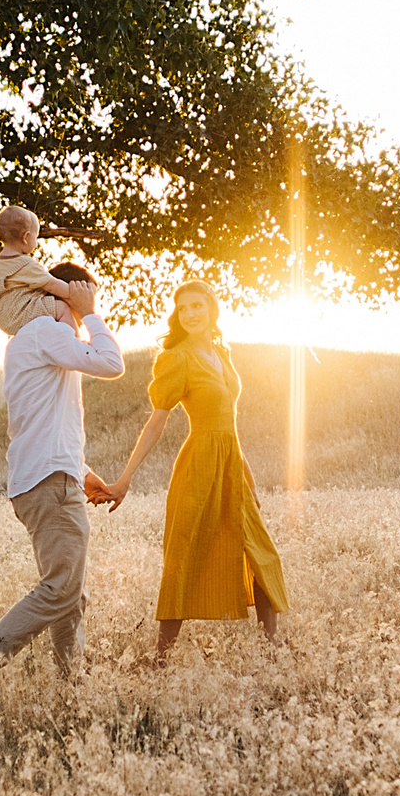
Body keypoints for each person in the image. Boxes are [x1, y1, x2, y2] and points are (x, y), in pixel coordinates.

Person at [0, 261, 123, 699]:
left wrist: (82, 472)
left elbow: (44, 418)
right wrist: (91, 312)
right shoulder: (48, 331)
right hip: (49, 481)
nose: (80, 318)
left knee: (68, 590)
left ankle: (72, 684)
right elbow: (111, 362)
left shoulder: (28, 340)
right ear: (63, 295)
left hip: (45, 476)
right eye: (77, 304)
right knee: (62, 587)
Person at [93, 279, 288, 659]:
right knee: (183, 554)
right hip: (199, 463)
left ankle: (272, 650)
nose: (191, 314)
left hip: (231, 463)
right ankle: (161, 657)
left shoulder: (223, 355)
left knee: (262, 551)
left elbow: (230, 424)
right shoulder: (177, 358)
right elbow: (156, 423)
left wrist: (247, 477)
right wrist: (125, 478)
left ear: (211, 309)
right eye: (183, 309)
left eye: (197, 306)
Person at [0, 205, 82, 337]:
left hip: (4, 318)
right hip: (22, 313)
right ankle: (76, 343)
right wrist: (75, 293)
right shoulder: (24, 265)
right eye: (36, 236)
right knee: (61, 308)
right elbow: (52, 285)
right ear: (26, 237)